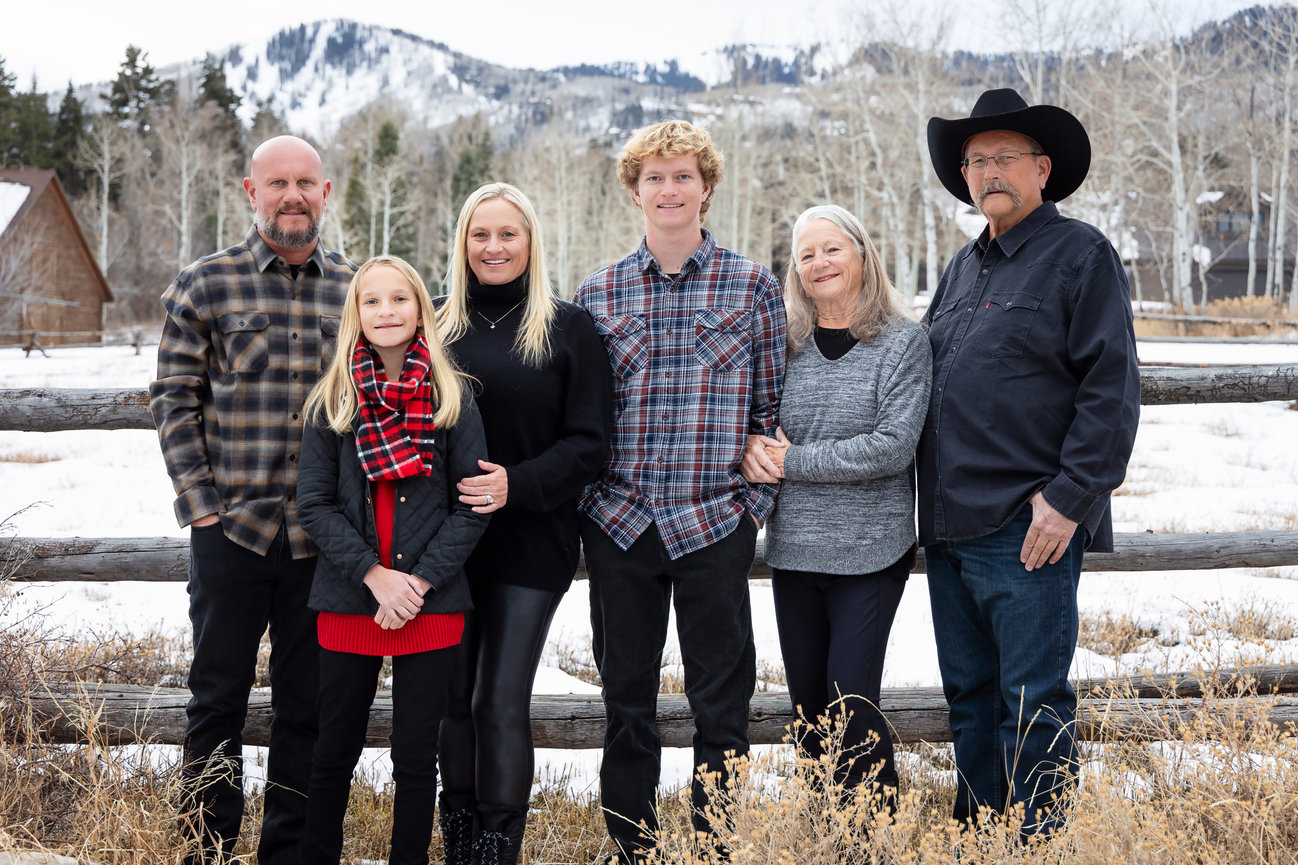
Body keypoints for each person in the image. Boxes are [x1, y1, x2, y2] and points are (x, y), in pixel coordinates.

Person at [919, 88, 1140, 837]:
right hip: (948, 529)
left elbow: (1111, 390)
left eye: (1004, 157)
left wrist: (1069, 499)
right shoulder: (960, 268)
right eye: (975, 161)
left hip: (1026, 525)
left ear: (1042, 168)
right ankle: (981, 839)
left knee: (1033, 698)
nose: (988, 172)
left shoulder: (1080, 256)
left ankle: (1040, 842)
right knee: (970, 696)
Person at [575, 119, 787, 863]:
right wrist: (587, 504)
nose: (670, 189)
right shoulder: (596, 294)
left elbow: (773, 410)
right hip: (621, 522)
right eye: (655, 178)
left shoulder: (752, 284)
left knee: (720, 703)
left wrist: (748, 510)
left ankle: (715, 844)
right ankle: (634, 846)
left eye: (683, 176)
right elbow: (579, 414)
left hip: (713, 525)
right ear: (635, 191)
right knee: (626, 701)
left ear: (706, 187)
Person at [148, 135, 356, 865]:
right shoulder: (206, 284)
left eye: (306, 182)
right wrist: (201, 506)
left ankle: (289, 853)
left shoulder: (360, 291)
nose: (292, 196)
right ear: (250, 191)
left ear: (326, 193)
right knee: (216, 702)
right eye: (278, 183)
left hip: (323, 542)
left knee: (309, 706)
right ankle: (204, 849)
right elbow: (174, 400)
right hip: (232, 531)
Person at [434, 182, 613, 865]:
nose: (494, 246)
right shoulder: (437, 324)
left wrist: (517, 482)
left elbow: (589, 443)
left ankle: (494, 852)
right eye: (481, 234)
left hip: (530, 538)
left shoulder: (566, 328)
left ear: (531, 241)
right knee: (452, 699)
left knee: (498, 699)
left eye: (509, 234)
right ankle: (458, 847)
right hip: (446, 542)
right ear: (463, 243)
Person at [295, 255, 488, 865]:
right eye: (371, 301)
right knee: (334, 748)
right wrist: (376, 577)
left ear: (420, 310)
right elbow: (315, 504)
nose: (386, 312)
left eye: (399, 299)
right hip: (351, 593)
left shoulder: (451, 398)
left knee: (415, 755)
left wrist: (420, 581)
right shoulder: (332, 401)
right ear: (355, 313)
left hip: (431, 600)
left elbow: (474, 506)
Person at [741, 204, 930, 812]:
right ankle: (825, 831)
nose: (819, 263)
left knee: (852, 705)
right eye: (805, 255)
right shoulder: (785, 344)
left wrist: (795, 461)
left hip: (870, 550)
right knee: (808, 716)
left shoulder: (902, 341)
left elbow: (891, 447)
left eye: (831, 249)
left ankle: (868, 838)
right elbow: (757, 428)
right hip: (793, 550)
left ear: (860, 253)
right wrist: (754, 447)